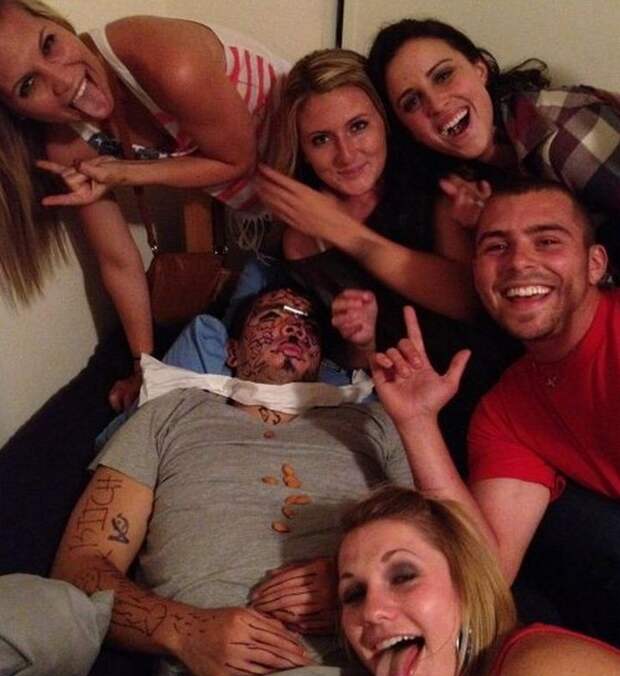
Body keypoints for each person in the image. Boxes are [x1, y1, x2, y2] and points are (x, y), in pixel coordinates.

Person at [51, 285, 413, 676]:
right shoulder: (169, 416)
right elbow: (79, 566)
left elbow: (446, 544)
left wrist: (360, 584)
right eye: (272, 315)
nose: (294, 327)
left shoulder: (374, 423)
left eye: (307, 323)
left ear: (321, 358)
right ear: (232, 352)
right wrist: (185, 631)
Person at [0, 0, 289, 410]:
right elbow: (117, 261)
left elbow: (237, 159)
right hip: (282, 212)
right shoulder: (67, 144)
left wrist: (124, 173)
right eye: (28, 85)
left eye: (49, 44)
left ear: (60, 25)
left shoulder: (161, 58)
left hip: (330, 182)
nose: (62, 81)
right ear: (17, 112)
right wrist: (144, 366)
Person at [369, 180, 620, 643]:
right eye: (497, 247)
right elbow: (489, 571)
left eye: (547, 241)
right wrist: (417, 423)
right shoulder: (505, 409)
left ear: (595, 264)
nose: (519, 262)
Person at [257, 47, 488, 333]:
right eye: (321, 139)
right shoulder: (301, 238)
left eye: (358, 126)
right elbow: (351, 348)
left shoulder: (438, 186)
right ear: (302, 150)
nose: (346, 155)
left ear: (384, 120)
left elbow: (471, 302)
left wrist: (339, 229)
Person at [365, 17, 620, 273]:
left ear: (480, 70)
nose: (437, 104)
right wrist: (485, 225)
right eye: (411, 102)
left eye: (443, 76)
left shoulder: (562, 133)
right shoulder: (456, 183)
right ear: (407, 129)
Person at [337, 484, 620, 676]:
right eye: (354, 594)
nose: (371, 612)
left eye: (403, 577)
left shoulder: (539, 670)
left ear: (466, 580)